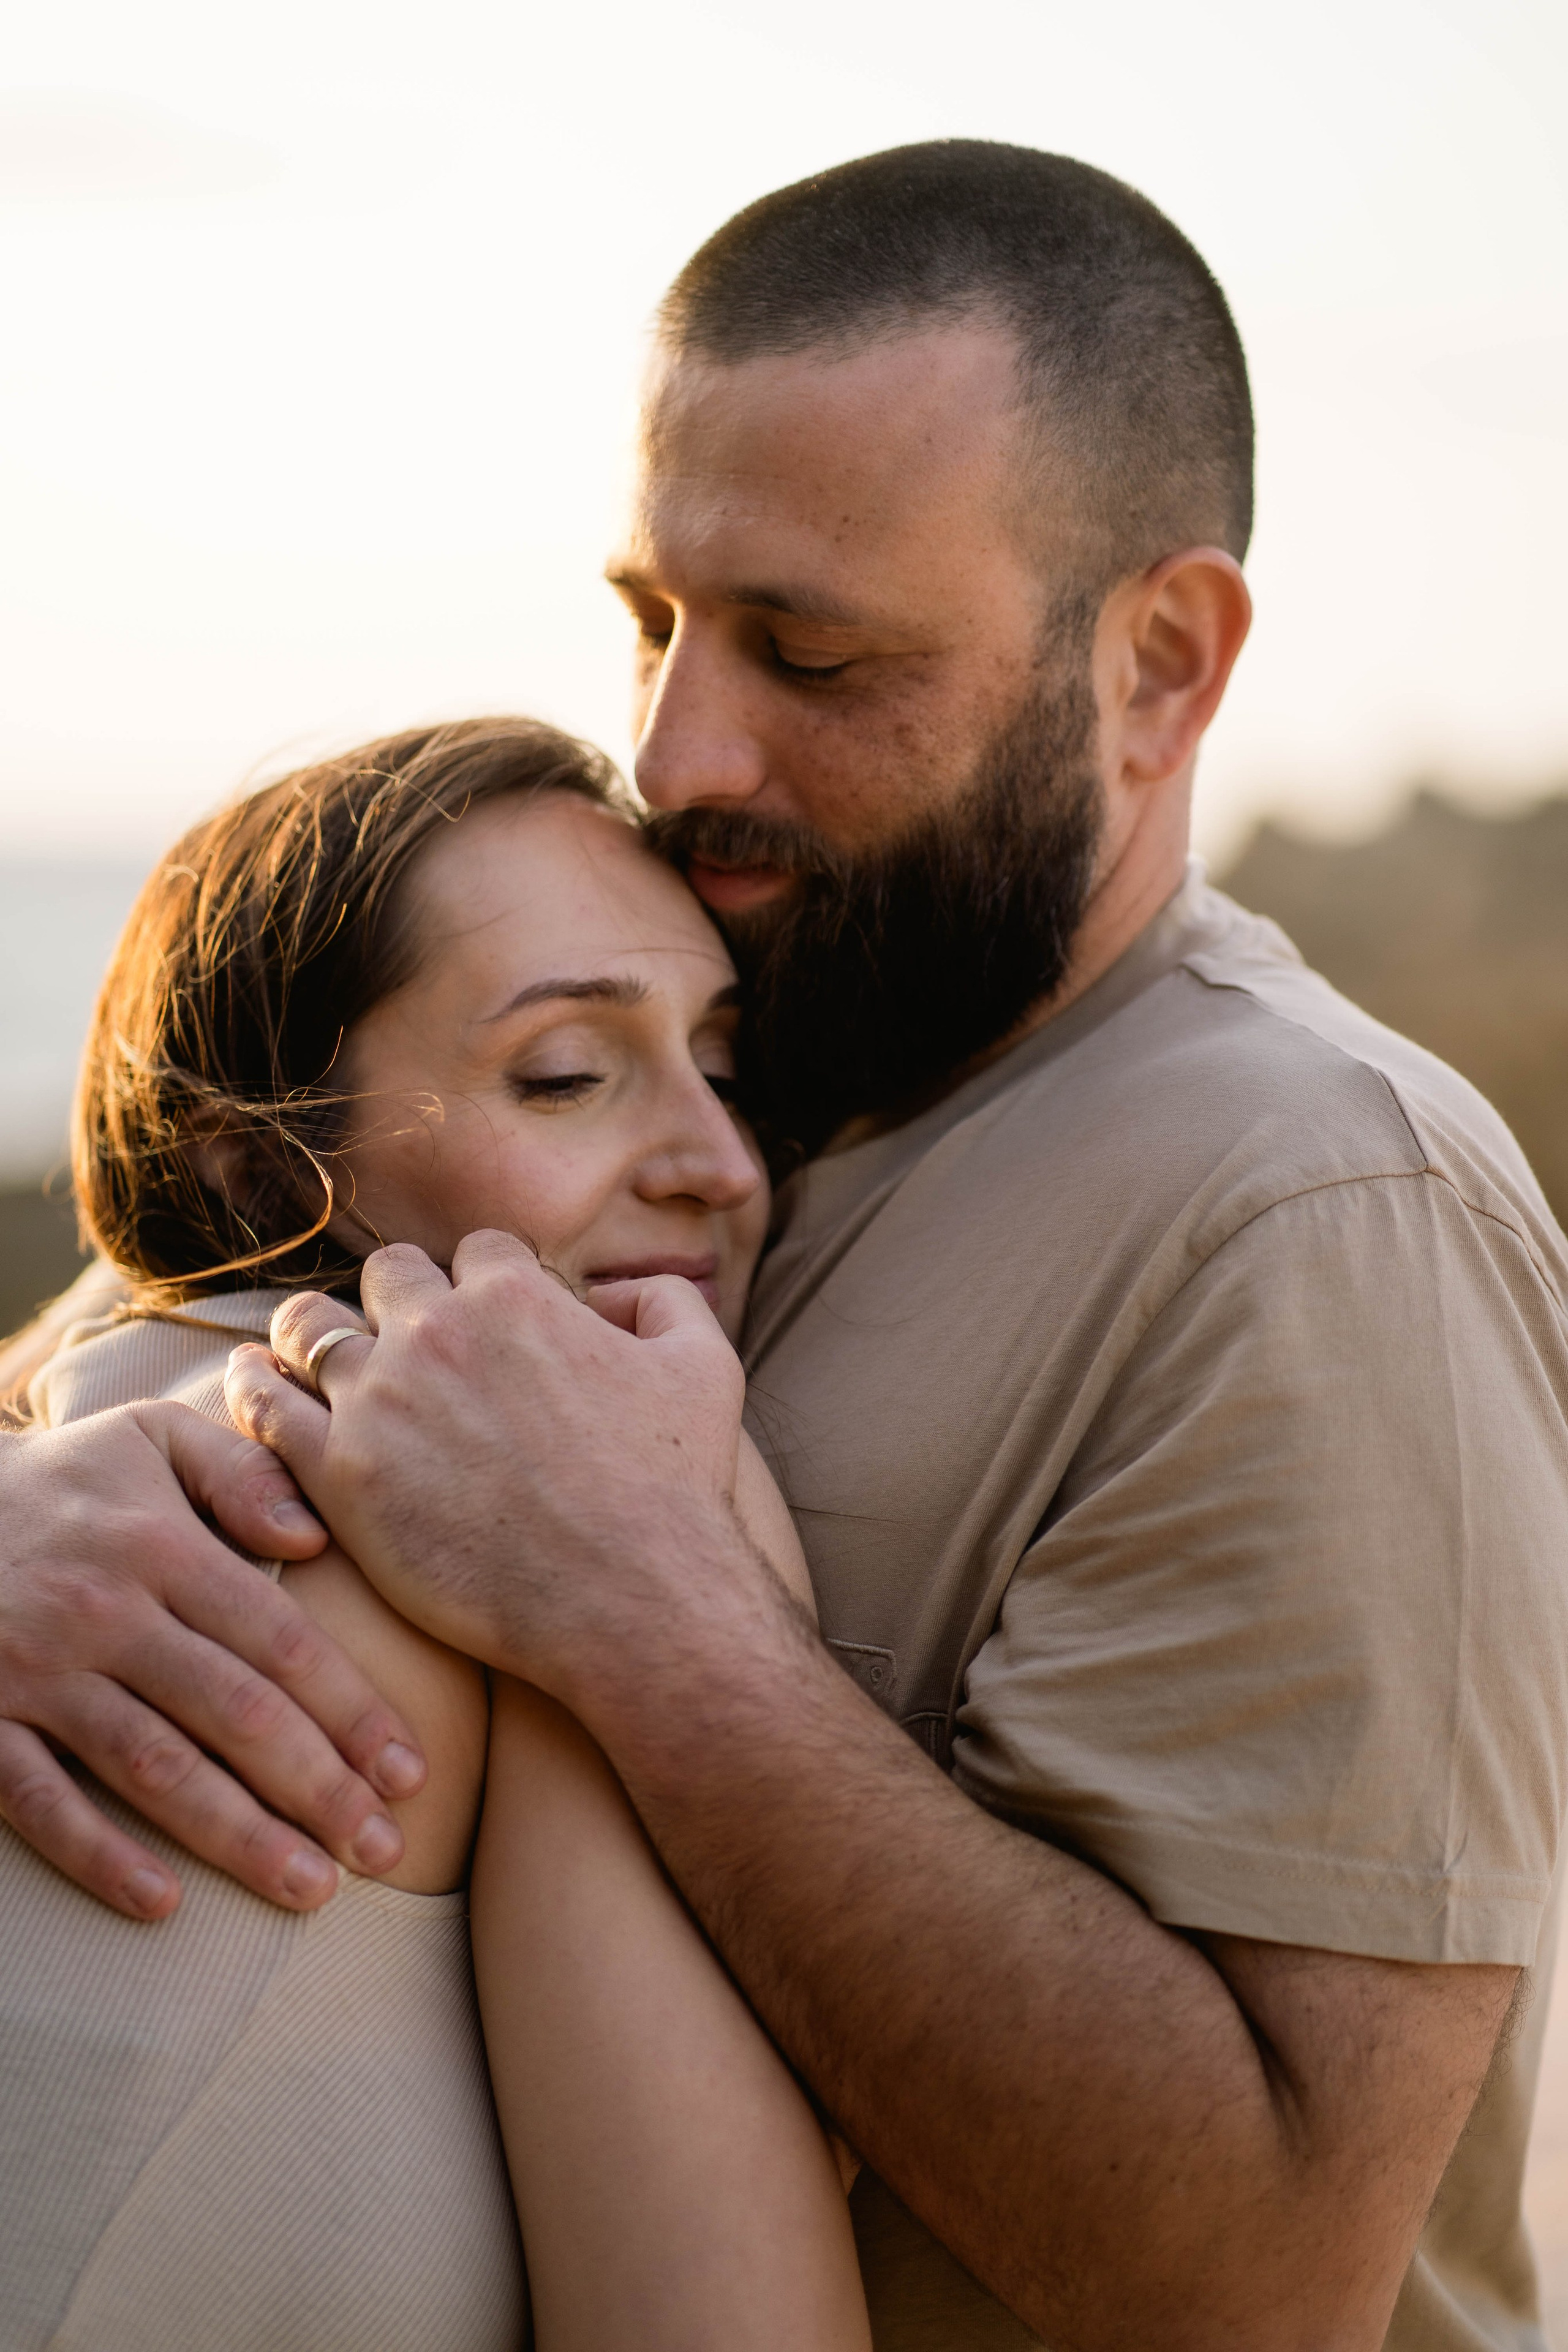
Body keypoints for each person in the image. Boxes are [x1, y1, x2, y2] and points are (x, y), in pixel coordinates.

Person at [4, 140, 1567, 2352]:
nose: (679, 749)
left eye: (810, 653)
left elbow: (1266, 2280)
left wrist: (640, 1608)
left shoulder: (1319, 1206)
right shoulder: (764, 1019)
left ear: (1157, 666)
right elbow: (189, 1290)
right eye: (656, 620)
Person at [1, 717, 869, 2352]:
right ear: (267, 1175)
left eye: (731, 1071)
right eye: (565, 1075)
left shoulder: (76, 1426)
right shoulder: (570, 1484)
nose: (723, 1164)